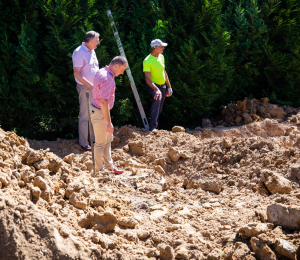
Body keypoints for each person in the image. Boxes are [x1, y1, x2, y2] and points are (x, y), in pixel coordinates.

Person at [90, 56, 127, 174]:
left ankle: (109, 167)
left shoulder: (102, 71)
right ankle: (99, 171)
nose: (122, 73)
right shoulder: (107, 78)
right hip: (100, 111)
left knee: (107, 140)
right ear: (116, 66)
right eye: (122, 70)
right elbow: (103, 101)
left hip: (100, 110)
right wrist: (108, 122)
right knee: (100, 143)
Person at [72, 31, 100, 151]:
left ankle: (94, 139)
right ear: (91, 41)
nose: (98, 42)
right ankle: (84, 142)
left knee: (94, 114)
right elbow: (76, 73)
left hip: (94, 87)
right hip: (85, 88)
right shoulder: (79, 52)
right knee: (85, 115)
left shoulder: (91, 50)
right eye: (97, 40)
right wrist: (90, 85)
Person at [143, 39, 173, 133]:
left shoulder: (162, 57)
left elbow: (164, 72)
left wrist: (169, 87)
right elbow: (147, 79)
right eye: (161, 46)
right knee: (157, 99)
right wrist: (156, 90)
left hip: (162, 86)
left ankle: (155, 126)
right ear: (156, 48)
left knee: (159, 108)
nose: (163, 48)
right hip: (153, 86)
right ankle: (152, 127)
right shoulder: (147, 61)